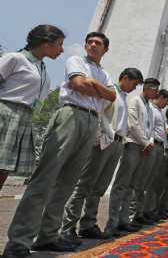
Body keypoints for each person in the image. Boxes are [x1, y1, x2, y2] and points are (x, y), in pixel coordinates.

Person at [3, 32, 114, 257]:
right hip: (70, 115)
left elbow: (111, 96)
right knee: (45, 177)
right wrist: (94, 88)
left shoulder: (104, 73)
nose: (93, 45)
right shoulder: (75, 61)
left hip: (92, 121)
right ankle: (19, 241)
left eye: (98, 43)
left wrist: (93, 84)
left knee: (68, 182)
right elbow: (79, 85)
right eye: (90, 42)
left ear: (105, 50)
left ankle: (48, 236)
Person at [0, 25, 65, 228]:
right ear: (46, 44)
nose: (62, 50)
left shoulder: (43, 68)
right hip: (3, 115)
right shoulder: (15, 58)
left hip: (23, 120)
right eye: (59, 45)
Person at [61, 68, 143, 241]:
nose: (134, 88)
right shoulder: (110, 92)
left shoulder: (123, 97)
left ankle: (88, 223)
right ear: (125, 78)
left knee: (99, 187)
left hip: (118, 143)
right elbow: (97, 112)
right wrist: (100, 136)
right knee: (84, 184)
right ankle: (68, 226)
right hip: (105, 141)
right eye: (134, 84)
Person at [105, 78, 160, 236]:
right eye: (155, 90)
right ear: (148, 88)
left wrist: (148, 143)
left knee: (132, 186)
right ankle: (112, 222)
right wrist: (145, 142)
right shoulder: (135, 100)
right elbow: (133, 123)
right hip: (132, 144)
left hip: (143, 147)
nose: (156, 94)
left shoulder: (148, 106)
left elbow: (148, 128)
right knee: (121, 184)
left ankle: (124, 220)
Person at [144, 89, 168, 221]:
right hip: (153, 145)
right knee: (148, 182)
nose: (166, 105)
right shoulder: (150, 108)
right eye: (166, 101)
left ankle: (150, 210)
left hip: (160, 147)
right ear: (161, 97)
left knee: (155, 182)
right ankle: (143, 211)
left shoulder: (159, 111)